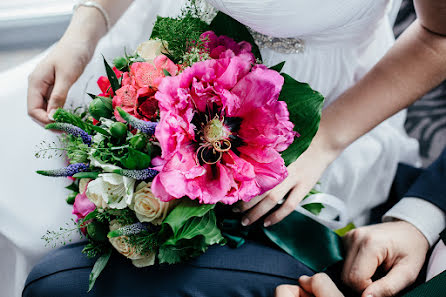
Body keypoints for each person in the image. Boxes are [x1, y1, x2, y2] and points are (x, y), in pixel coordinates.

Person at [2, 0, 445, 295]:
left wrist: (326, 139)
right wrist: (88, 25)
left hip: (318, 118)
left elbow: (438, 34)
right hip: (151, 59)